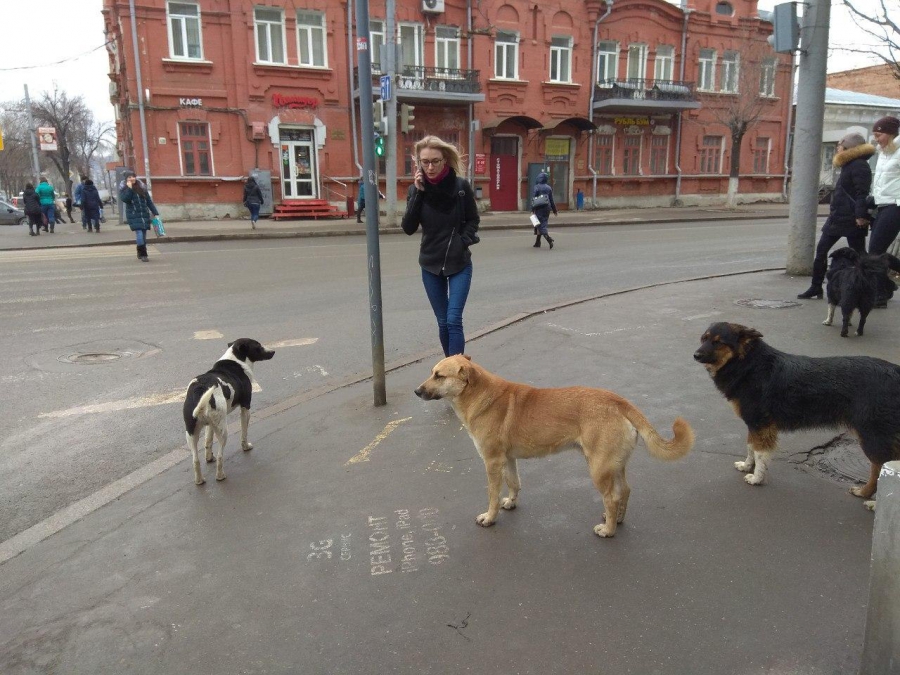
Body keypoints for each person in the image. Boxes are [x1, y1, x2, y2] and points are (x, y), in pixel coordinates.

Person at [402, 135, 480, 357]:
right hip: (430, 264)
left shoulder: (460, 187)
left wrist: (462, 241)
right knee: (443, 322)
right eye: (424, 162)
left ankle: (457, 372)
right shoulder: (415, 190)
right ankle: (450, 368)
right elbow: (408, 227)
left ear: (445, 160)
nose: (430, 166)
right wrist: (418, 192)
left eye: (435, 161)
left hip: (459, 263)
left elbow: (473, 220)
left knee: (454, 319)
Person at [797, 133, 874, 299]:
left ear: (849, 147)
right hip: (837, 217)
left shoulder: (859, 165)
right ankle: (816, 287)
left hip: (853, 219)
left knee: (860, 255)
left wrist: (861, 215)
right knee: (821, 250)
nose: (838, 147)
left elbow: (862, 193)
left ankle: (871, 287)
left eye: (840, 144)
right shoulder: (848, 164)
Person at [867, 116, 900, 307]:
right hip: (883, 205)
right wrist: (873, 199)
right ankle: (886, 286)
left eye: (879, 135)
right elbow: (881, 181)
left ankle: (880, 295)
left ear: (890, 133)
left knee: (875, 252)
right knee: (877, 253)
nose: (876, 139)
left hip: (896, 206)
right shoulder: (884, 152)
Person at [119, 172, 159, 262]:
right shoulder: (123, 188)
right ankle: (144, 254)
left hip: (144, 214)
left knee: (143, 235)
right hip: (133, 215)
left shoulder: (142, 187)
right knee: (139, 233)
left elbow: (148, 201)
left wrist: (155, 212)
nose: (132, 178)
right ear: (126, 179)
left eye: (133, 176)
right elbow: (125, 199)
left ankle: (139, 251)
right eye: (129, 177)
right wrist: (129, 188)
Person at [530, 172, 557, 249]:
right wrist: (554, 210)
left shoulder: (536, 187)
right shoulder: (549, 188)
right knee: (543, 222)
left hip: (539, 208)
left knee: (538, 224)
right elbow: (551, 200)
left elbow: (533, 199)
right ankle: (537, 242)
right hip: (547, 208)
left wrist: (532, 209)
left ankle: (548, 238)